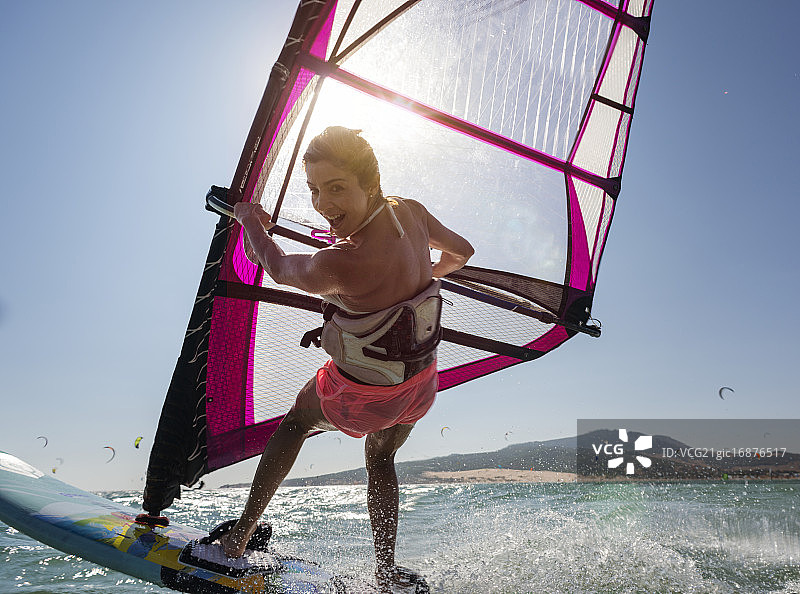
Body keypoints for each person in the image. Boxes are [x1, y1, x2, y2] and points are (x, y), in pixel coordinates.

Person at [221, 126, 473, 589]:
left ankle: (238, 539)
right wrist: (418, 284)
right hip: (419, 389)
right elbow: (462, 252)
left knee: (296, 422)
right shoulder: (410, 212)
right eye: (314, 189)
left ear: (370, 185)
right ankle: (385, 571)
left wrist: (247, 219)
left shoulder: (340, 263)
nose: (322, 203)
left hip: (364, 396)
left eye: (337, 188)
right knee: (381, 459)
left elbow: (276, 267)